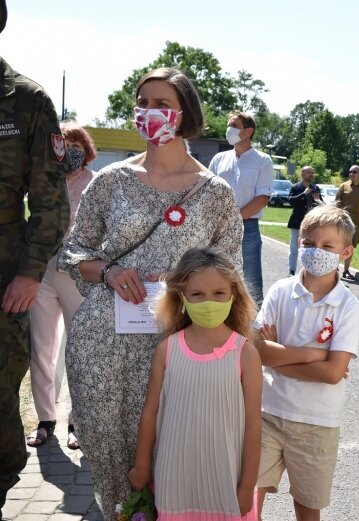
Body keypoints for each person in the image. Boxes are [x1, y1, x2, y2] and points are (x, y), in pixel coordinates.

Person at [58, 67, 243, 520]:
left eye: (161, 104)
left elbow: (231, 270)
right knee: (112, 457)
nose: (149, 112)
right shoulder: (111, 180)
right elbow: (75, 249)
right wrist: (111, 271)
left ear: (183, 115)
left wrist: (187, 280)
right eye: (142, 103)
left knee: (173, 457)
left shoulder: (214, 192)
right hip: (104, 342)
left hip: (179, 342)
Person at [129, 246, 261, 519]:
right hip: (174, 482)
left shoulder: (245, 353)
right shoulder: (167, 350)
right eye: (197, 294)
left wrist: (248, 485)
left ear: (233, 295)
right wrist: (142, 466)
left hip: (226, 481)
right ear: (182, 296)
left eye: (218, 294)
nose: (208, 302)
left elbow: (252, 424)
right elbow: (151, 413)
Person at [0, 1, 70, 516]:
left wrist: (29, 273)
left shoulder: (25, 100)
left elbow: (50, 199)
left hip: (4, 271)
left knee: (0, 385)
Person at [254, 205, 359, 521]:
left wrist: (277, 357)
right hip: (267, 413)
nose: (317, 251)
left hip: (317, 423)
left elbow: (332, 373)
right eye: (309, 243)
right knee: (247, 501)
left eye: (328, 246)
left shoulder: (347, 306)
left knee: (307, 507)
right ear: (298, 243)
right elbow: (256, 351)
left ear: (346, 251)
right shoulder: (280, 291)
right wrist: (312, 354)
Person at [27, 122, 97, 451]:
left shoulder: (95, 184)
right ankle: (45, 419)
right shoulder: (43, 181)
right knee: (42, 349)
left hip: (77, 275)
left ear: (84, 148)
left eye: (75, 144)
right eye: (62, 143)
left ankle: (78, 421)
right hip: (42, 271)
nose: (68, 150)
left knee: (78, 350)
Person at [209, 111, 274, 304]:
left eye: (234, 126)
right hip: (217, 229)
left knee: (250, 280)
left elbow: (262, 198)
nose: (228, 130)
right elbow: (208, 192)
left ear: (248, 132)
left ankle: (255, 328)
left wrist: (233, 219)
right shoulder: (218, 159)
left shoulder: (263, 160)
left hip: (248, 228)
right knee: (217, 276)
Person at [335, 165, 359, 280]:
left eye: (354, 172)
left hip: (358, 224)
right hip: (343, 222)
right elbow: (337, 203)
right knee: (339, 245)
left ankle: (346, 270)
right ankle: (334, 267)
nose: (351, 173)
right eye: (350, 171)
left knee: (350, 247)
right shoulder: (343, 186)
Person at [287, 165, 322, 275]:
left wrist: (318, 199)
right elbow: (291, 201)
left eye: (312, 172)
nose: (311, 175)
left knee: (310, 248)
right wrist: (304, 194)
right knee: (294, 248)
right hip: (297, 222)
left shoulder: (315, 188)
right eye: (308, 172)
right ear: (302, 174)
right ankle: (291, 271)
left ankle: (308, 271)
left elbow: (321, 204)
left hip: (312, 223)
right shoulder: (295, 187)